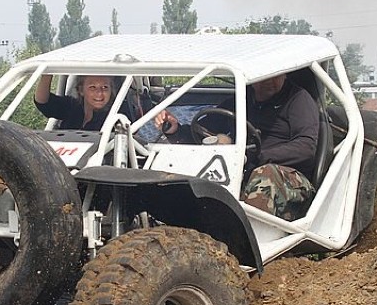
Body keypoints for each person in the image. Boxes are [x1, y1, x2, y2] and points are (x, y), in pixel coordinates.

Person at [154, 74, 319, 220]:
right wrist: (176, 130)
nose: (270, 81)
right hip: (240, 172)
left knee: (265, 174)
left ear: (284, 74)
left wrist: (254, 156)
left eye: (276, 75)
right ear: (253, 77)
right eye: (265, 76)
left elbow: (306, 147)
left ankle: (248, 242)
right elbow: (201, 132)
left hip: (289, 179)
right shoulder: (239, 100)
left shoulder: (298, 99)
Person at [34, 74, 114, 130]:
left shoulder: (116, 116)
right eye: (92, 87)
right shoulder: (72, 106)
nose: (99, 93)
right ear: (81, 90)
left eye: (105, 87)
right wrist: (47, 73)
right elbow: (42, 102)